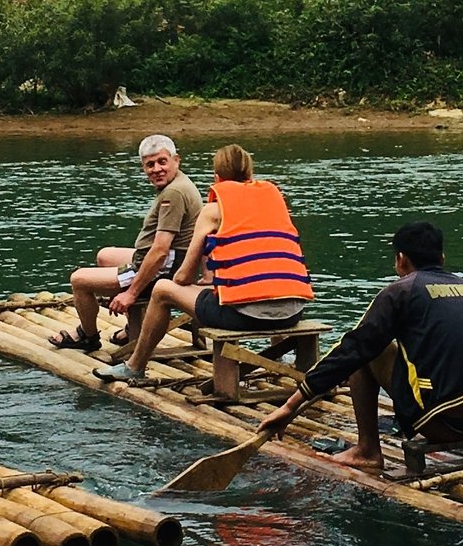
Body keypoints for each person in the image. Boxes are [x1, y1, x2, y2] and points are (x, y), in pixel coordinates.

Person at [256, 219, 463, 472]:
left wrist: (290, 406)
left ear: (401, 259)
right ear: (442, 258)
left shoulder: (401, 291)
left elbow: (353, 348)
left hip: (443, 421)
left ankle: (367, 450)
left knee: (368, 350)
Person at [94, 144, 312, 384]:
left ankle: (134, 366)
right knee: (269, 278)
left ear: (216, 178)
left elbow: (184, 276)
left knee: (162, 290)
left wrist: (183, 282)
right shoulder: (275, 202)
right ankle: (278, 360)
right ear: (250, 175)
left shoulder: (212, 211)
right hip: (294, 311)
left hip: (244, 317)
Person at [56, 135, 204, 357]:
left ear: (176, 160)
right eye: (150, 164)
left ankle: (88, 336)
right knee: (105, 256)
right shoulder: (179, 182)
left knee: (79, 280)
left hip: (166, 267)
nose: (156, 169)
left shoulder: (173, 194)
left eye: (162, 162)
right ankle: (130, 328)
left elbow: (160, 252)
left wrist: (131, 293)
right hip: (174, 258)